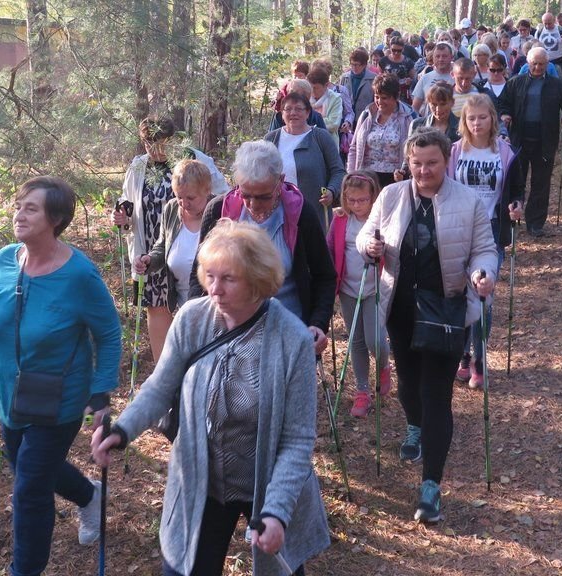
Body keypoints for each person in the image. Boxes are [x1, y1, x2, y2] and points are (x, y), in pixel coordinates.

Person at [92, 220, 330, 576]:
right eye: (210, 275)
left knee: (278, 568)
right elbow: (160, 386)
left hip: (264, 480)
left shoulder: (291, 340)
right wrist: (123, 429)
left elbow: (297, 441)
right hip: (201, 476)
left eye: (228, 279)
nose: (214, 289)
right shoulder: (192, 318)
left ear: (257, 280)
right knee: (185, 568)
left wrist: (277, 511)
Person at [0, 176, 121, 576]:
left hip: (58, 399)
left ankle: (23, 570)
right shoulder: (5, 260)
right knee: (30, 468)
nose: (18, 214)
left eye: (31, 208)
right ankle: (87, 495)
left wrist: (100, 394)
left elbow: (108, 334)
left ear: (56, 219)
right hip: (9, 398)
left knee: (29, 490)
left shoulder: (80, 275)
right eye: (18, 205)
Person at [356, 128, 497, 523]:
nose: (423, 170)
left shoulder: (468, 203)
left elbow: (484, 249)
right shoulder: (391, 195)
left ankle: (431, 485)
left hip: (447, 310)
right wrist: (369, 245)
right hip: (400, 306)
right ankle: (414, 426)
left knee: (436, 394)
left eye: (431, 163)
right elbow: (369, 230)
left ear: (445, 161)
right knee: (408, 388)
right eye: (417, 163)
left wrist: (483, 272)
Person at [188, 141, 335, 356]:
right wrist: (197, 321)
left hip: (289, 337)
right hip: (227, 338)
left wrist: (318, 324)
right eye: (246, 194)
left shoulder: (300, 214)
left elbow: (325, 276)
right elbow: (197, 274)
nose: (254, 204)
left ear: (280, 182)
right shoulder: (219, 211)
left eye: (264, 196)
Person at [113, 116, 228, 362]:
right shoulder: (138, 166)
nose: (153, 150)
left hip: (191, 242)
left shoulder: (195, 159)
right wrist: (124, 217)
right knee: (156, 308)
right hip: (152, 248)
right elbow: (128, 200)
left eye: (159, 143)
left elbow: (223, 194)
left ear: (171, 140)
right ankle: (163, 374)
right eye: (147, 144)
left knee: (199, 306)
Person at [446, 94, 524, 386]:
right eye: (471, 118)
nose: (476, 123)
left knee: (483, 296)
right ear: (463, 121)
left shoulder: (505, 153)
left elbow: (516, 189)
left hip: (491, 230)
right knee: (458, 294)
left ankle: (479, 358)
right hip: (458, 228)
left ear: (492, 118)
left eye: (482, 117)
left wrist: (517, 206)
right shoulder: (454, 153)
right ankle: (462, 354)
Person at [326, 171, 392, 417]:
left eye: (362, 200)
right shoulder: (341, 219)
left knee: (375, 338)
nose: (357, 205)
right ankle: (362, 391)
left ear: (373, 197)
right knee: (356, 339)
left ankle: (384, 366)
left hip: (375, 286)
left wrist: (381, 248)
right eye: (352, 200)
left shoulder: (382, 219)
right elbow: (330, 249)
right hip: (349, 288)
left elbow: (393, 249)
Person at [498, 47, 562, 236]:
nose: (537, 67)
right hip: (518, 139)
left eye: (541, 64)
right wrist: (505, 115)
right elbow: (503, 103)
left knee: (541, 182)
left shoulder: (556, 85)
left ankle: (535, 223)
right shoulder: (515, 83)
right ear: (527, 62)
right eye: (534, 63)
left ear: (547, 64)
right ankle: (513, 218)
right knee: (516, 180)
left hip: (545, 140)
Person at [134, 159, 211, 311]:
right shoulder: (172, 209)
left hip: (214, 304)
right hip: (183, 305)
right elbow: (163, 245)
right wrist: (149, 260)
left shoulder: (219, 210)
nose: (184, 203)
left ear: (207, 190)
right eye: (179, 196)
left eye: (190, 198)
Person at [265, 92, 346, 227]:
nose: (293, 113)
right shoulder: (271, 139)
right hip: (277, 212)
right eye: (288, 109)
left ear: (308, 113)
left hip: (312, 211)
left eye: (299, 109)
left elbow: (338, 171)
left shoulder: (321, 137)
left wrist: (332, 191)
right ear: (282, 113)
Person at [348, 73, 415, 189]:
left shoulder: (408, 117)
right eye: (377, 97)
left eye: (384, 98)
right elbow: (354, 147)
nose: (379, 101)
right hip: (367, 177)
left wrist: (404, 172)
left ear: (396, 96)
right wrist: (351, 174)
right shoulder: (366, 115)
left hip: (395, 179)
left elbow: (412, 151)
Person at [411, 42, 456, 114]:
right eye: (437, 56)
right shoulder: (425, 78)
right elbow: (415, 107)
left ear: (451, 57)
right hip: (430, 123)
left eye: (444, 56)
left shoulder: (459, 78)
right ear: (433, 58)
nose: (441, 59)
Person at [307, 66, 344, 145]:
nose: (312, 91)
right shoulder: (305, 97)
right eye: (311, 87)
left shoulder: (335, 99)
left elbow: (334, 124)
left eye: (316, 88)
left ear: (326, 85)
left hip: (328, 143)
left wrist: (309, 122)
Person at [339, 47, 378, 121]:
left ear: (364, 65)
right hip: (346, 119)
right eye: (352, 64)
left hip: (365, 118)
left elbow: (375, 100)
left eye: (357, 65)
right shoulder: (345, 77)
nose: (354, 67)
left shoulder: (373, 78)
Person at [379, 36, 416, 103]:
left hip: (403, 96)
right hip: (387, 94)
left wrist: (410, 81)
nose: (396, 53)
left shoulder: (408, 62)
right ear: (390, 48)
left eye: (399, 51)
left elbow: (414, 79)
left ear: (403, 49)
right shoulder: (383, 61)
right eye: (394, 50)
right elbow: (378, 79)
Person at [535, 12, 562, 78]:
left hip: (558, 61)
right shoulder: (539, 32)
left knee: (557, 82)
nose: (547, 26)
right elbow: (535, 46)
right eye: (545, 24)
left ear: (554, 21)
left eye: (549, 23)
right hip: (543, 62)